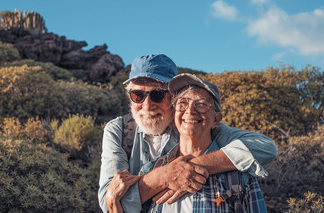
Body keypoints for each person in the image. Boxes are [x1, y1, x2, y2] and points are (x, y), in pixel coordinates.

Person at [98, 54, 277, 213]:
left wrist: (193, 167)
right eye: (137, 95)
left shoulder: (192, 124)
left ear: (172, 98)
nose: (147, 105)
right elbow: (110, 203)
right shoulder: (119, 131)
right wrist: (164, 176)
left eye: (157, 95)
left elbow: (266, 148)